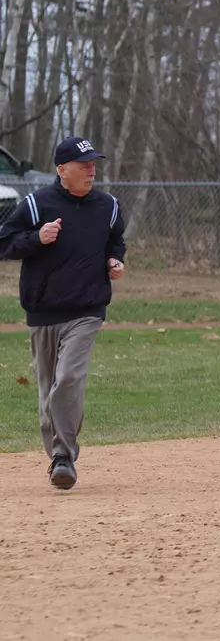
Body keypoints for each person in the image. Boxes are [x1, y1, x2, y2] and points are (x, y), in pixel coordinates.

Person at [0, 136, 126, 490]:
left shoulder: (108, 206)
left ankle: (63, 457)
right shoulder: (36, 205)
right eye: (84, 165)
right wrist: (36, 238)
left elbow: (116, 240)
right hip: (43, 311)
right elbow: (5, 243)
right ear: (61, 170)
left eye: (93, 164)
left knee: (68, 379)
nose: (92, 170)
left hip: (87, 309)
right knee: (47, 392)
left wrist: (116, 260)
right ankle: (58, 454)